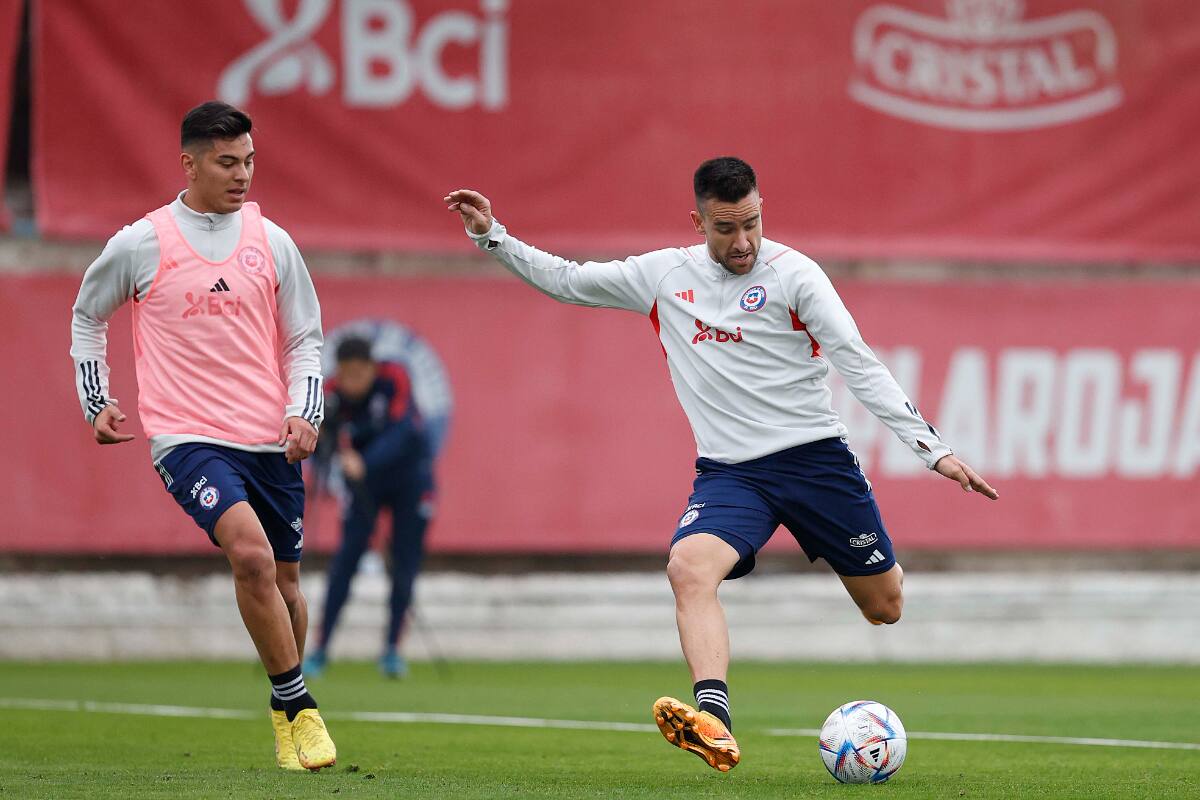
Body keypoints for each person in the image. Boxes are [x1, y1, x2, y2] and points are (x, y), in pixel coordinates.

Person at [443, 158, 997, 772]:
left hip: (816, 462)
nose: (743, 242)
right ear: (698, 221)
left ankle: (784, 650)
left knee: (885, 606)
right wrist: (491, 235)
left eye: (752, 224)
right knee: (687, 568)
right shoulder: (662, 276)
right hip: (733, 474)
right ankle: (715, 719)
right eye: (726, 228)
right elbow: (570, 280)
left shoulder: (797, 277)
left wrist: (933, 450)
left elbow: (859, 363)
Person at [70, 101, 336, 771]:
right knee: (248, 556)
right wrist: (96, 399)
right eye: (226, 162)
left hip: (268, 438)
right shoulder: (142, 242)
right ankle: (302, 710)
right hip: (186, 438)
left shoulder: (272, 241)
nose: (241, 174)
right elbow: (87, 315)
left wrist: (307, 413)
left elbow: (305, 338)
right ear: (188, 163)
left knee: (287, 588)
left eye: (248, 160)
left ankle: (283, 714)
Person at [303, 336, 436, 679]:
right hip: (364, 485)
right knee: (347, 559)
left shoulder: (395, 378)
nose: (352, 382)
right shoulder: (330, 392)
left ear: (372, 368)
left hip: (410, 478)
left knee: (404, 562)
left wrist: (366, 460)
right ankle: (319, 649)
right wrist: (325, 448)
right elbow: (320, 442)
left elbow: (404, 430)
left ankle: (392, 649)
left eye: (359, 374)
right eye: (346, 374)